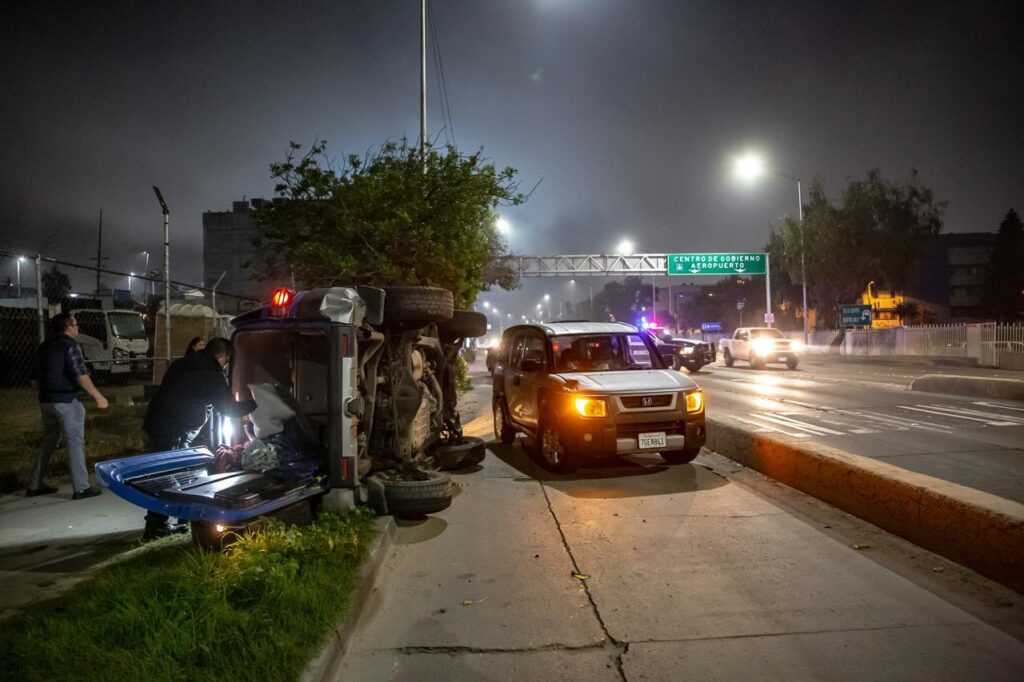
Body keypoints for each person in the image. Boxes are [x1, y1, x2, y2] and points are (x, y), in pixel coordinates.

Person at [141, 336, 254, 539]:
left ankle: (165, 521)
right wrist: (256, 403)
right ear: (222, 356)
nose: (227, 365)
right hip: (173, 430)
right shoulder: (210, 374)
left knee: (166, 473)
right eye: (227, 361)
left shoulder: (183, 363)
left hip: (158, 422)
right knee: (168, 475)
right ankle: (155, 527)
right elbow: (228, 409)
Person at [27, 313, 109, 499]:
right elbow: (80, 374)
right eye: (76, 324)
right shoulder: (70, 345)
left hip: (46, 400)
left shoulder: (44, 346)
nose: (78, 327)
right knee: (75, 442)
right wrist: (98, 396)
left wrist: (47, 394)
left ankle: (35, 484)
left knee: (48, 441)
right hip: (66, 400)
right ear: (68, 327)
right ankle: (81, 487)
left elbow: (34, 380)